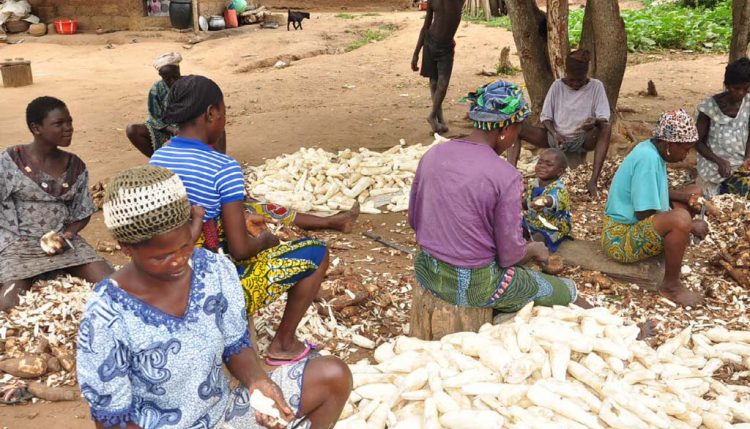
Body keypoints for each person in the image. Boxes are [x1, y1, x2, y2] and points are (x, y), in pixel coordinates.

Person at [77, 165, 352, 429]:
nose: (179, 262)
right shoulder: (107, 314)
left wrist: (257, 382)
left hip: (223, 415)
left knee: (333, 377)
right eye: (161, 257)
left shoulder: (212, 268)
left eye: (185, 246)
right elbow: (111, 420)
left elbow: (235, 345)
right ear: (126, 249)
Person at [150, 75, 329, 365]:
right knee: (317, 253)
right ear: (210, 113)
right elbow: (240, 250)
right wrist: (266, 240)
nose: (224, 119)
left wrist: (236, 223)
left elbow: (181, 225)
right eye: (223, 111)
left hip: (164, 285)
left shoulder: (158, 159)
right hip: (207, 295)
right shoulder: (224, 168)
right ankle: (283, 343)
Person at [409, 80, 585, 312]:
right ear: (505, 130)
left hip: (427, 270)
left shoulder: (433, 154)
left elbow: (414, 220)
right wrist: (533, 249)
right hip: (474, 286)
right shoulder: (506, 176)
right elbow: (509, 255)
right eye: (517, 130)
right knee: (558, 289)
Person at [0, 97, 113, 312]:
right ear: (36, 128)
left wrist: (68, 235)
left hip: (63, 242)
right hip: (19, 245)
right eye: (59, 123)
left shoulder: (76, 165)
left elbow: (82, 211)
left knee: (112, 285)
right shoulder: (9, 161)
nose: (68, 128)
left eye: (69, 122)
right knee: (8, 305)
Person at [602, 109, 709, 307]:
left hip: (634, 226)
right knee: (680, 220)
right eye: (685, 149)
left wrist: (686, 197)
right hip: (619, 238)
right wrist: (690, 225)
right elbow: (643, 213)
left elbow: (654, 192)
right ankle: (671, 286)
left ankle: (677, 239)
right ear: (669, 144)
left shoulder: (651, 149)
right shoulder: (648, 159)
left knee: (693, 191)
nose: (686, 155)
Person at [509, 49, 612, 198]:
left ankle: (593, 181)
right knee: (517, 127)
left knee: (606, 128)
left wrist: (594, 122)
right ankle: (510, 176)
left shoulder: (596, 86)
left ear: (586, 75)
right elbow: (545, 117)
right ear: (566, 73)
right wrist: (554, 133)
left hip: (583, 139)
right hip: (555, 137)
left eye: (580, 80)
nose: (575, 84)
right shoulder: (557, 86)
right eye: (571, 80)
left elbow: (603, 117)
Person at [696, 57, 750, 197]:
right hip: (712, 168)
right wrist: (718, 161)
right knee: (713, 204)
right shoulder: (709, 107)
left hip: (740, 167)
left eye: (745, 88)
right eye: (736, 88)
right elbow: (697, 142)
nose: (741, 93)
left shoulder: (748, 103)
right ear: (726, 85)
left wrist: (747, 157)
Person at [411, 0, 465, 134]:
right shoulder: (432, 1)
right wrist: (416, 53)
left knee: (443, 84)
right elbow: (425, 27)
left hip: (446, 48)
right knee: (435, 83)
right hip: (430, 43)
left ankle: (432, 115)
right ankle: (439, 121)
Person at [125, 52, 182, 157]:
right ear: (161, 75)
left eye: (175, 76)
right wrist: (172, 130)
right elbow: (155, 118)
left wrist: (182, 130)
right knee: (132, 130)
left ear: (179, 70)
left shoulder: (190, 85)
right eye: (167, 78)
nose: (172, 81)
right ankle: (158, 162)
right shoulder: (156, 89)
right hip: (164, 130)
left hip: (188, 131)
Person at [522, 148, 572, 252]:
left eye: (549, 165)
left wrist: (544, 201)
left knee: (538, 239)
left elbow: (552, 200)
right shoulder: (534, 184)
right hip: (532, 223)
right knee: (514, 228)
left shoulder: (559, 189)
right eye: (540, 162)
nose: (542, 166)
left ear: (560, 171)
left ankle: (526, 254)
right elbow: (527, 204)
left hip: (551, 228)